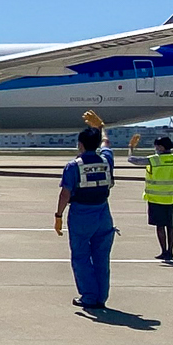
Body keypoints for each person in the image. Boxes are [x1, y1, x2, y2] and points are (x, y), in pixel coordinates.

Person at [55, 119, 116, 311]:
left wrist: (58, 215)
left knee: (81, 256)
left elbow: (65, 193)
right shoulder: (106, 159)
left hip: (81, 213)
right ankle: (101, 296)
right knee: (101, 257)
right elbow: (106, 144)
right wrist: (101, 128)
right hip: (103, 212)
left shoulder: (74, 166)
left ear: (80, 144)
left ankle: (89, 296)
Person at [128, 132, 173, 261]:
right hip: (171, 198)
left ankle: (164, 251)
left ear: (162, 147)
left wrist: (130, 148)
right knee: (171, 225)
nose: (155, 149)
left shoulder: (155, 159)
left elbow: (132, 160)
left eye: (157, 146)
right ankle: (170, 251)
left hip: (156, 198)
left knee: (160, 226)